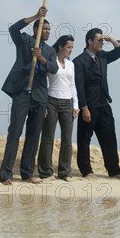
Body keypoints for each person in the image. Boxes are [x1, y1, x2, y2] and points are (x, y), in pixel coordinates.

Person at [0, 7, 58, 185]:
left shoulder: (49, 51)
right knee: (15, 132)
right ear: (37, 30)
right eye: (44, 29)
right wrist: (36, 16)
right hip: (22, 93)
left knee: (33, 136)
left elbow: (54, 69)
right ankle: (6, 174)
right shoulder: (25, 41)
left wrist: (41, 59)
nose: (47, 32)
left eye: (49, 29)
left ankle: (27, 172)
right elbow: (13, 29)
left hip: (40, 96)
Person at [73, 28, 120, 180]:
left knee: (109, 137)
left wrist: (111, 40)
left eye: (103, 40)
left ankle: (114, 170)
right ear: (90, 42)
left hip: (104, 104)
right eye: (99, 40)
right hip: (89, 105)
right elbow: (78, 86)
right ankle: (86, 171)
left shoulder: (102, 56)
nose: (102, 43)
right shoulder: (78, 61)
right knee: (84, 139)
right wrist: (83, 107)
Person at [37, 35, 78, 181]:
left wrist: (76, 105)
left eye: (72, 47)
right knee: (48, 137)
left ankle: (64, 172)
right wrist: (44, 104)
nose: (70, 50)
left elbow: (72, 85)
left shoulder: (71, 64)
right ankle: (45, 172)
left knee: (67, 139)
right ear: (60, 46)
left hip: (68, 103)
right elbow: (42, 82)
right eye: (68, 47)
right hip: (51, 101)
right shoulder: (51, 61)